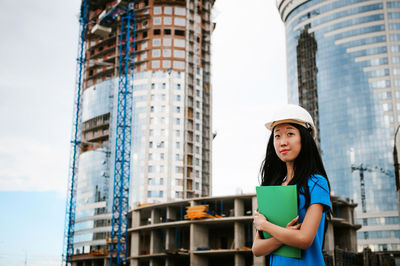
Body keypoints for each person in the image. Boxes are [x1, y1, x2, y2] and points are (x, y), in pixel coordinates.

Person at [252, 104, 331, 265]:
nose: (283, 142)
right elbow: (257, 249)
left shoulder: (317, 183)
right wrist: (284, 235)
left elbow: (304, 239)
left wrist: (265, 225)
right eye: (277, 136)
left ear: (305, 138)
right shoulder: (273, 188)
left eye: (290, 134)